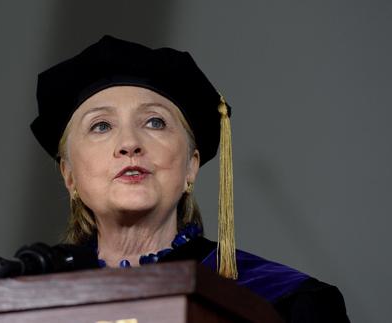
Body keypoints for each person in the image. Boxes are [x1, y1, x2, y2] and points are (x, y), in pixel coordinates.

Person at [31, 35, 349, 322]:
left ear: (190, 167)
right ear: (69, 175)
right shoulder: (29, 300)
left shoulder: (287, 302)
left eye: (155, 122)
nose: (129, 143)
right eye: (101, 126)